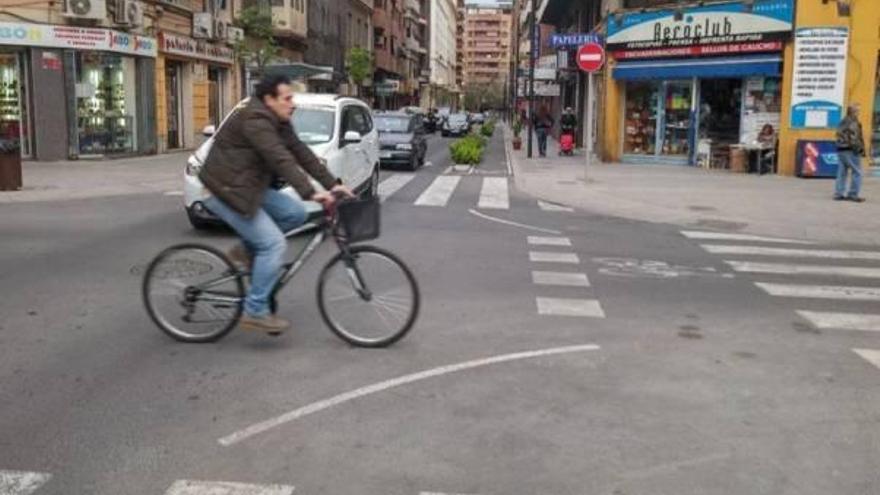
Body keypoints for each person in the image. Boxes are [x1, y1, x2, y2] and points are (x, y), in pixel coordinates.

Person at [200, 74, 353, 334]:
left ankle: (245, 251)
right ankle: (255, 310)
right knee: (273, 245)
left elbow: (300, 152)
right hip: (224, 190)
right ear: (269, 99)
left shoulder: (279, 120)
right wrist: (309, 192)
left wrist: (332, 184)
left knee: (294, 213)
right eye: (287, 98)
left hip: (248, 187)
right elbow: (279, 157)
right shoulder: (256, 120)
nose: (292, 103)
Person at [834, 104, 867, 202]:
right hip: (851, 150)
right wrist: (859, 150)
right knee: (857, 172)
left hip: (841, 149)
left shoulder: (842, 121)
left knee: (841, 172)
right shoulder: (854, 123)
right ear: (854, 112)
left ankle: (839, 194)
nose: (859, 113)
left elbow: (838, 135)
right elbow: (854, 139)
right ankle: (853, 194)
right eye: (858, 111)